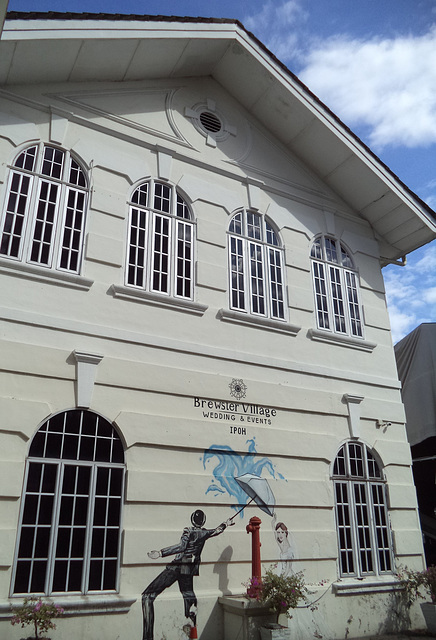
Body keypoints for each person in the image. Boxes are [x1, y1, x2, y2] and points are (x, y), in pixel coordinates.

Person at [142, 509, 234, 640]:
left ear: (192, 519)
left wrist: (160, 553)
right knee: (189, 597)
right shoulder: (204, 533)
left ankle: (147, 637)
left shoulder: (188, 531)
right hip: (188, 570)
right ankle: (192, 633)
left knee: (147, 596)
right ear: (203, 521)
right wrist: (226, 523)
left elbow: (181, 547)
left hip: (177, 567)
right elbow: (217, 530)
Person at [271, 512, 295, 577]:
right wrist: (274, 520)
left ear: (285, 533)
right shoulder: (281, 545)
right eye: (278, 532)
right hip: (282, 574)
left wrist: (282, 578)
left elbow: (288, 568)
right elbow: (274, 533)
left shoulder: (289, 550)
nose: (280, 535)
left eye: (282, 532)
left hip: (288, 576)